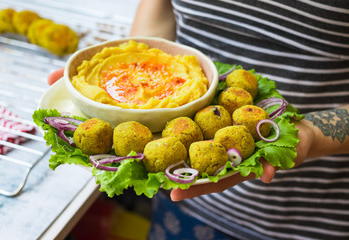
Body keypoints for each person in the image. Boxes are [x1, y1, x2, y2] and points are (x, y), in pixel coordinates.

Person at [48, 1, 349, 239]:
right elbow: (160, 10)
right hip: (181, 194)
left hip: (309, 217)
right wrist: (130, 82)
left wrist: (308, 133)